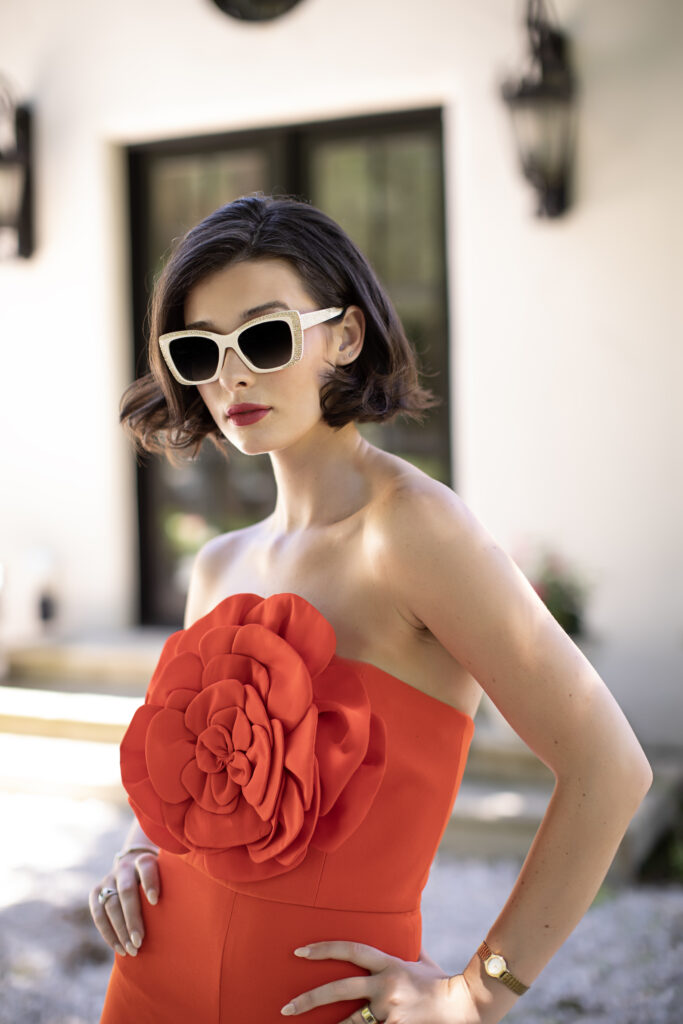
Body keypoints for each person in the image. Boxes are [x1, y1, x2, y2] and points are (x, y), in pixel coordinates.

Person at [90, 194, 652, 1024]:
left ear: (345, 337)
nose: (232, 373)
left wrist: (477, 991)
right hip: (147, 986)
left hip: (324, 1006)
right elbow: (183, 790)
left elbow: (611, 772)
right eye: (199, 350)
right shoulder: (217, 563)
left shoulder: (412, 531)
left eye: (265, 335)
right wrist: (136, 850)